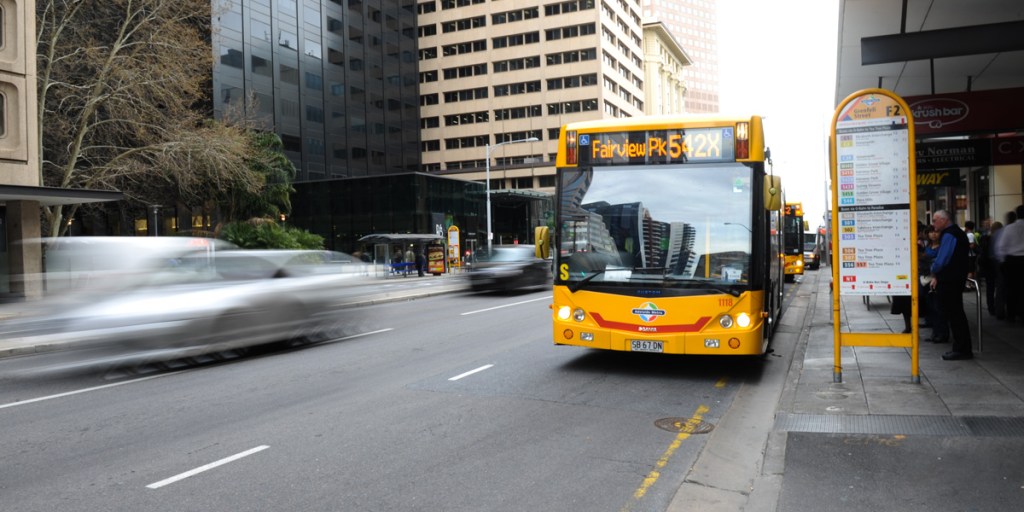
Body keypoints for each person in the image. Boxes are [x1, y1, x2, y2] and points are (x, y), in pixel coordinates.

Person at [927, 210, 973, 360]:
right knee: (956, 313)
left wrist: (934, 271)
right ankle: (962, 347)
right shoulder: (955, 233)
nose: (933, 224)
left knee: (955, 314)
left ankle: (962, 348)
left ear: (943, 220)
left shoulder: (949, 234)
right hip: (955, 278)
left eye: (935, 220)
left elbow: (942, 259)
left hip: (951, 280)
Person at [995, 205, 1024, 323]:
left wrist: (1002, 261)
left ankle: (1011, 314)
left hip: (1012, 261)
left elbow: (1001, 247)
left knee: (1011, 288)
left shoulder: (1010, 228)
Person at [964, 220, 978, 289]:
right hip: (972, 255)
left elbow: (972, 245)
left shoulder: (969, 235)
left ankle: (968, 284)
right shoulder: (971, 234)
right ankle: (972, 283)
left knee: (970, 270)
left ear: (967, 227)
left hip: (970, 255)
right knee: (972, 270)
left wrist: (965, 246)